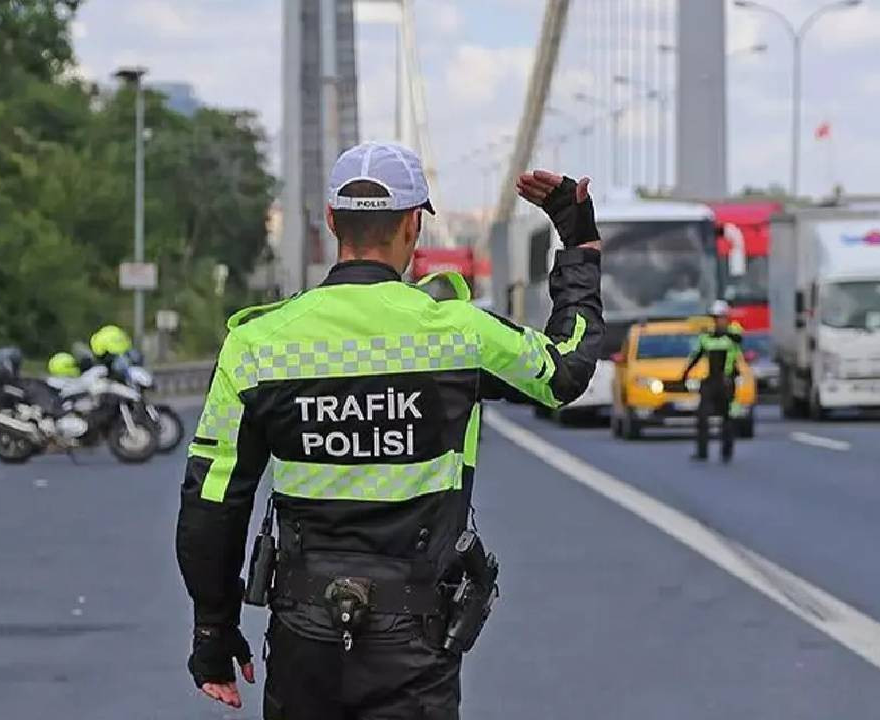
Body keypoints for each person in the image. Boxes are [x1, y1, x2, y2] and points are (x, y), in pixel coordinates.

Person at [175, 141, 604, 719]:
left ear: (332, 222)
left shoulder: (257, 346)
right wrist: (577, 246)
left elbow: (212, 502)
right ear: (412, 225)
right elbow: (565, 370)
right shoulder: (458, 334)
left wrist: (214, 634)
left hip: (305, 638)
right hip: (416, 639)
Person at [680, 300, 744, 462]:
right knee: (702, 416)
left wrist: (725, 331)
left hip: (727, 381)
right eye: (715, 318)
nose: (718, 321)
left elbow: (738, 338)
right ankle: (702, 452)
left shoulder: (732, 334)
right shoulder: (706, 338)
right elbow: (696, 356)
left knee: (728, 418)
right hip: (711, 381)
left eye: (721, 317)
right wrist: (685, 373)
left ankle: (726, 452)